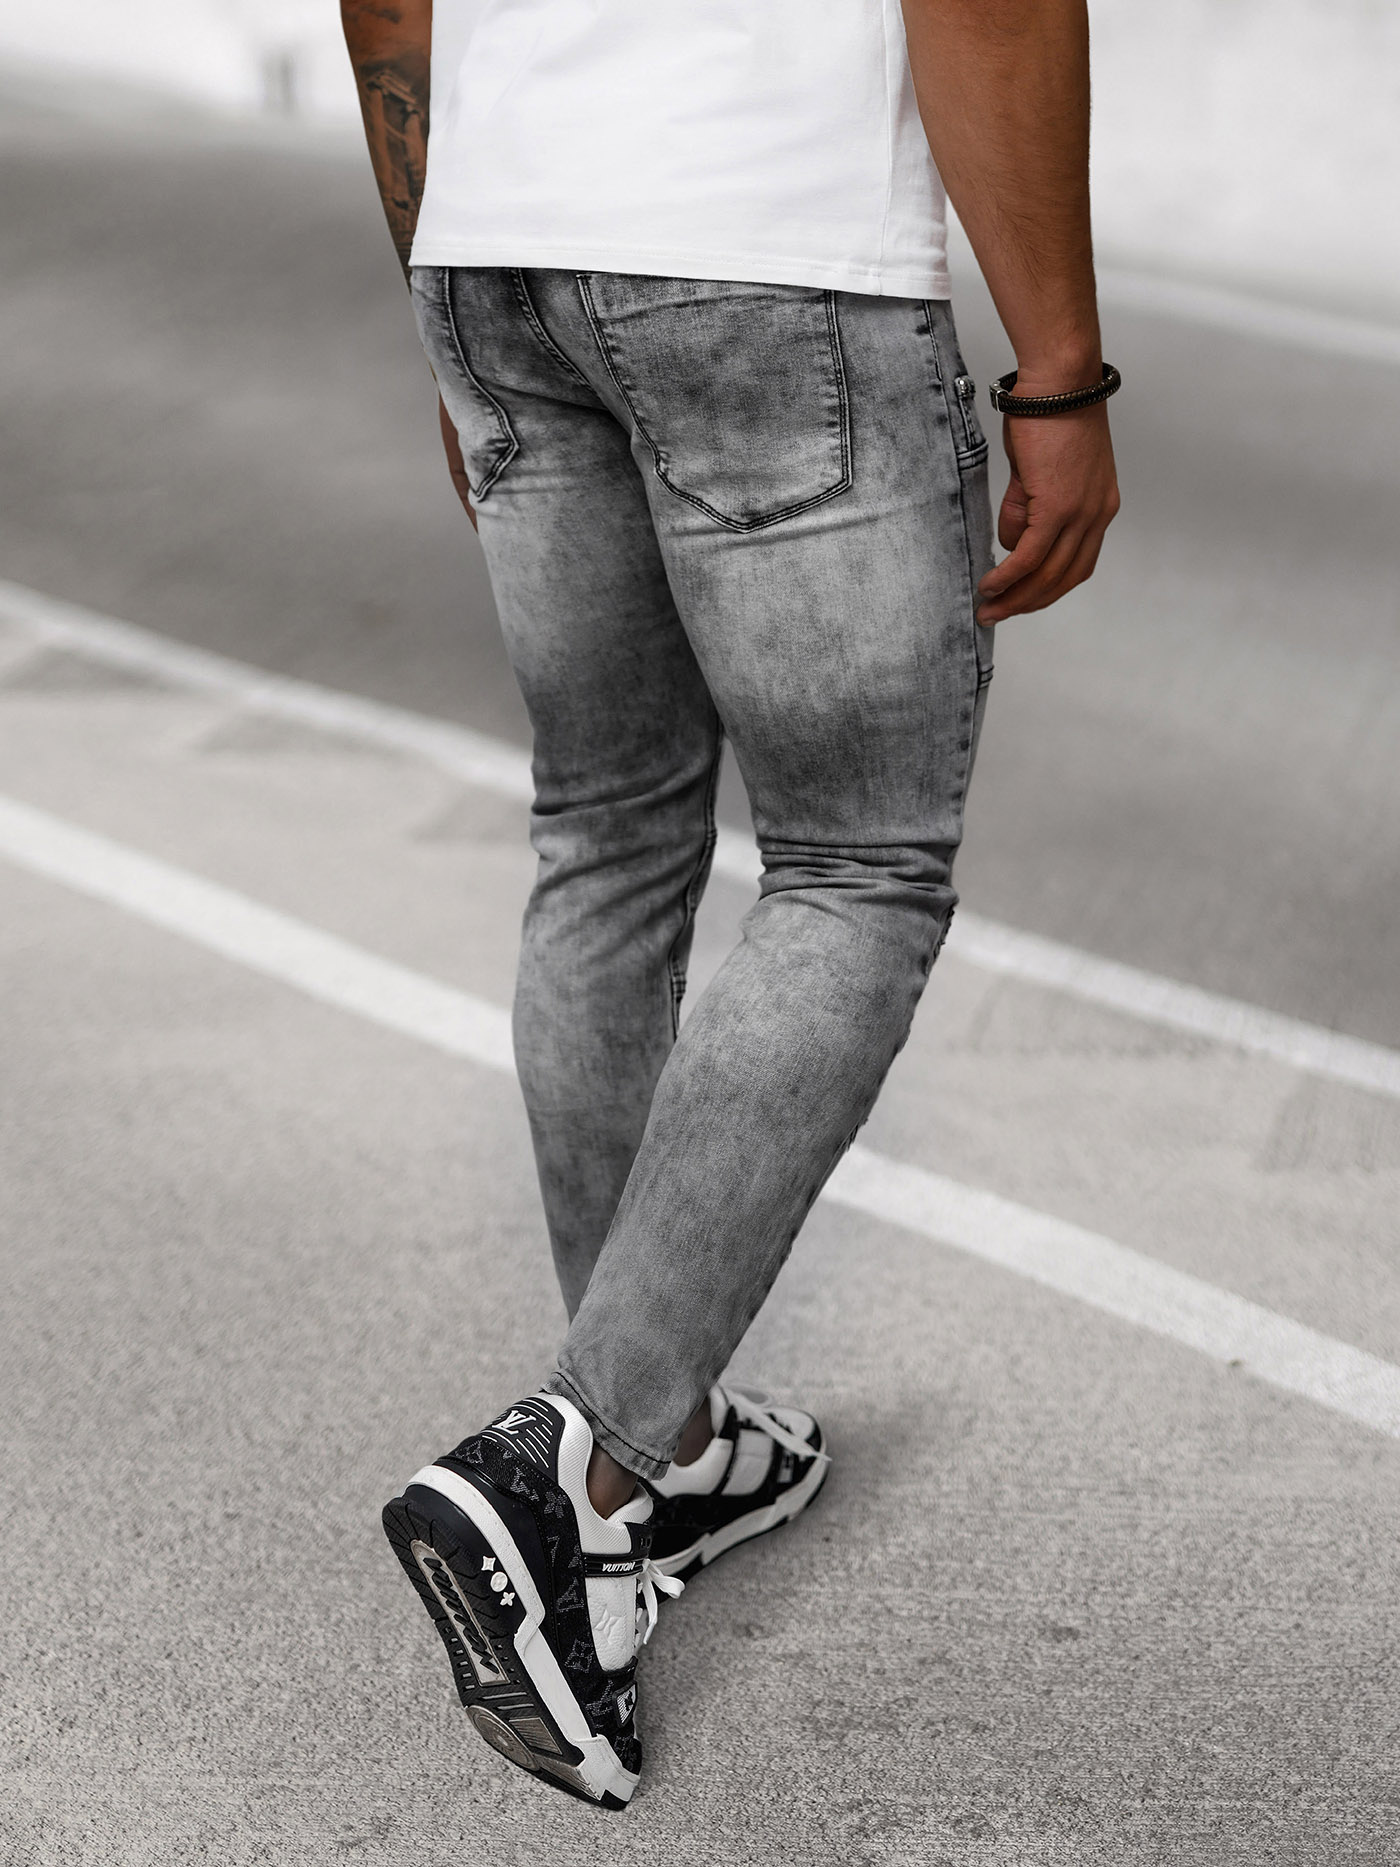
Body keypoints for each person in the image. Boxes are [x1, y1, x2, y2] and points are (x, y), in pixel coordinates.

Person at [343, 0, 1120, 1809]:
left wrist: (454, 285)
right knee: (858, 868)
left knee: (605, 833)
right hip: (772, 251)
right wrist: (1061, 373)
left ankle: (663, 1444)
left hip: (496, 251)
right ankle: (575, 1471)